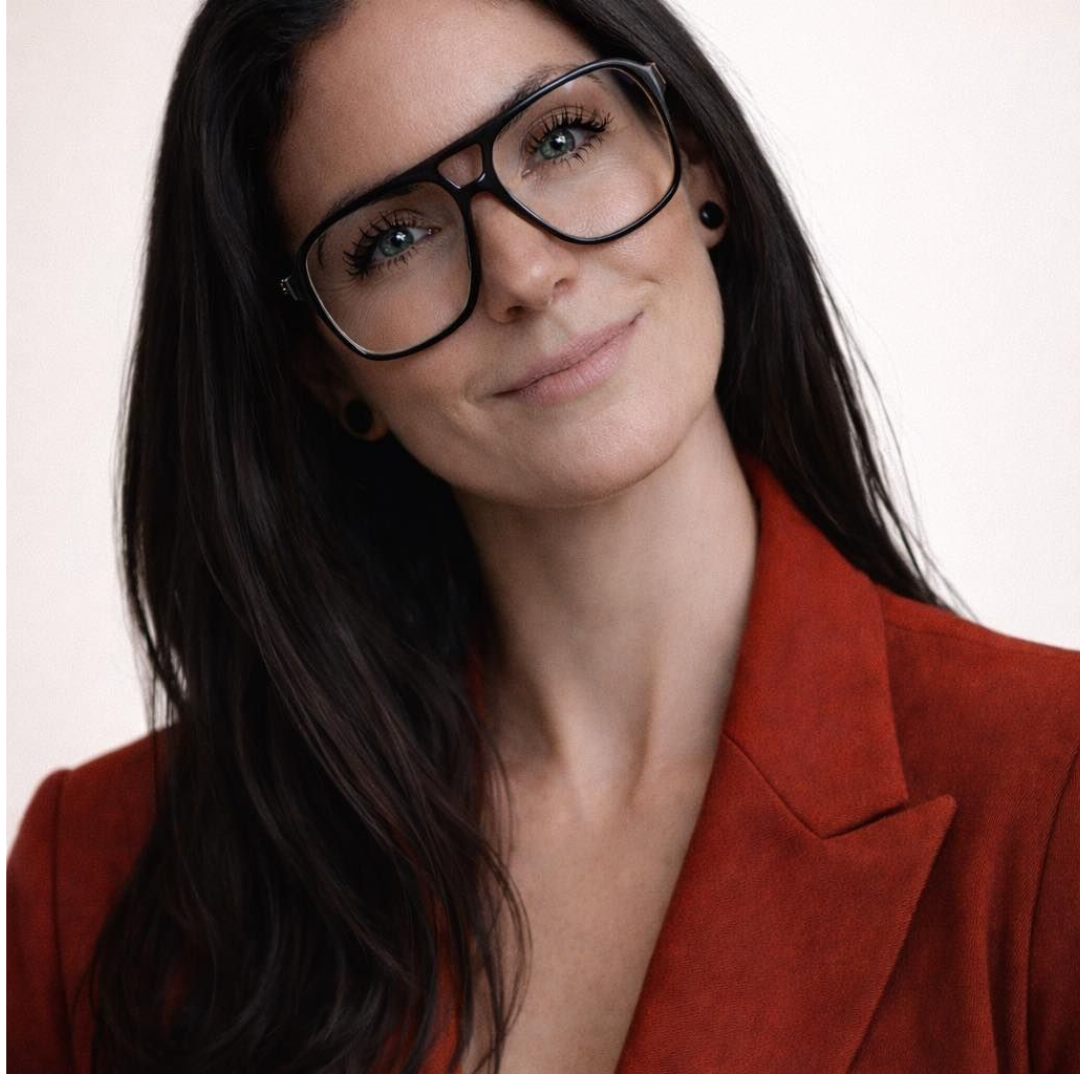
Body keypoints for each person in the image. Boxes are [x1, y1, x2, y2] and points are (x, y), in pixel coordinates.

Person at [7, 0, 1079, 1072]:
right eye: (393, 237)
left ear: (696, 162)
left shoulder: (1052, 797)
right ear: (324, 364)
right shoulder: (95, 882)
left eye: (562, 139)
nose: (524, 272)